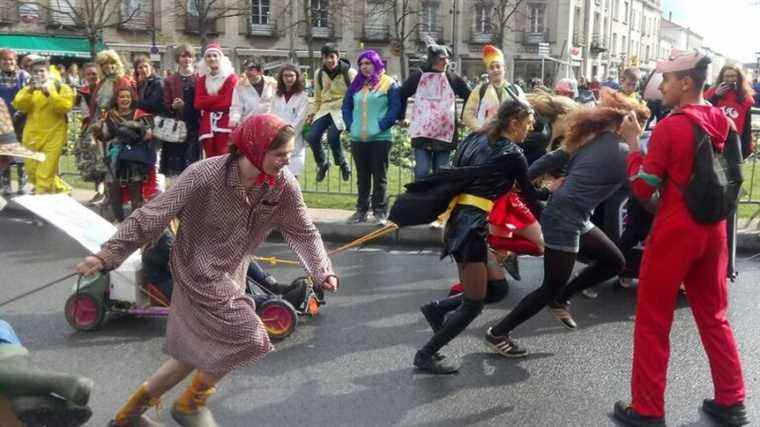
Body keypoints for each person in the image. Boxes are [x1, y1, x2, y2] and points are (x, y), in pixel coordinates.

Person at [75, 114, 339, 427]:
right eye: (280, 154)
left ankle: (126, 417)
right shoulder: (204, 174)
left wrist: (322, 270)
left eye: (290, 154)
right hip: (195, 269)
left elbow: (303, 231)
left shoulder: (282, 185)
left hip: (233, 273)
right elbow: (152, 216)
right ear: (254, 148)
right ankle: (190, 405)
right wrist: (107, 256)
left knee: (193, 355)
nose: (287, 161)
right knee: (252, 336)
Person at [613, 51, 749, 427]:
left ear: (685, 82)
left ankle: (648, 408)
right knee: (714, 316)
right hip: (715, 230)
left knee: (653, 320)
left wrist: (633, 146)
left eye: (668, 81)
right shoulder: (724, 120)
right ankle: (731, 400)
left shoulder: (672, 126)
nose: (663, 88)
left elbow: (643, 189)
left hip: (676, 229)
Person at [484, 90, 649, 353]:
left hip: (572, 215)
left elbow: (553, 158)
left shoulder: (592, 137)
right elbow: (641, 185)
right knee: (550, 287)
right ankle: (498, 332)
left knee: (614, 262)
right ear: (629, 125)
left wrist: (519, 181)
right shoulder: (622, 151)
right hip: (565, 219)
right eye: (641, 126)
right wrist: (635, 143)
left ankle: (561, 297)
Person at [412, 94, 542, 374]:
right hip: (470, 229)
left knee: (497, 289)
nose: (530, 129)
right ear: (513, 121)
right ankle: (425, 355)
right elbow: (529, 197)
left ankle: (437, 309)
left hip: (461, 222)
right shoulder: (513, 153)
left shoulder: (474, 138)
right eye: (528, 123)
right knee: (473, 304)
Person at [341, 49, 401, 224]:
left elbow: (394, 110)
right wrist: (351, 125)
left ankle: (380, 211)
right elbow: (346, 107)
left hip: (381, 138)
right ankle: (361, 210)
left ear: (376, 63)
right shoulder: (356, 84)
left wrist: (379, 126)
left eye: (368, 63)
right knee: (362, 176)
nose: (364, 67)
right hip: (358, 137)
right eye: (361, 64)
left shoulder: (389, 83)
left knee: (379, 175)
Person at [400, 43, 471, 181]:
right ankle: (419, 200)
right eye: (441, 59)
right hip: (422, 134)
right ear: (432, 60)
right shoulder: (419, 75)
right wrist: (401, 116)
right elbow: (403, 93)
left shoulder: (452, 78)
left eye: (447, 59)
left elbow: (469, 95)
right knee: (422, 172)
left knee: (441, 174)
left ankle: (437, 202)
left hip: (444, 134)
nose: (446, 62)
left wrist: (463, 117)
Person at [11, 55, 74, 194]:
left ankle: (42, 204)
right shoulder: (29, 89)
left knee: (44, 174)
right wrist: (29, 91)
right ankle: (62, 189)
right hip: (32, 137)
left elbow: (65, 107)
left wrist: (50, 93)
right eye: (35, 72)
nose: (38, 74)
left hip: (54, 136)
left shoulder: (61, 87)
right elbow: (19, 104)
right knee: (32, 172)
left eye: (41, 71)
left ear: (48, 72)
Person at [95, 86, 155, 222]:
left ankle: (135, 227)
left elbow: (148, 135)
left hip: (134, 158)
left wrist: (135, 127)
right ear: (116, 99)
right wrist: (99, 133)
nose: (124, 99)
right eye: (121, 96)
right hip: (116, 158)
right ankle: (119, 223)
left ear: (132, 98)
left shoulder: (139, 114)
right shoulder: (111, 116)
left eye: (127, 96)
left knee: (136, 195)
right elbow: (107, 137)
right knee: (114, 194)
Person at [305, 45, 356, 182]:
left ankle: (342, 163)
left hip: (341, 109)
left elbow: (356, 96)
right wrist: (312, 113)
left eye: (331, 57)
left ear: (337, 57)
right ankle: (322, 163)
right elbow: (318, 97)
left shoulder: (350, 73)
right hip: (325, 109)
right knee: (312, 136)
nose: (329, 60)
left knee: (333, 136)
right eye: (325, 57)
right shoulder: (319, 73)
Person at [161, 44, 201, 180]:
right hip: (178, 126)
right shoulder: (170, 80)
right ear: (178, 59)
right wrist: (173, 106)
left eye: (189, 56)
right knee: (178, 167)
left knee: (194, 163)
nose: (186, 59)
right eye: (183, 56)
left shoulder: (200, 78)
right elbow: (165, 105)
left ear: (193, 59)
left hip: (196, 126)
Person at [462, 44, 523, 131]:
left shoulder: (516, 90)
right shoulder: (479, 90)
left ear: (504, 69)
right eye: (491, 67)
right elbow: (467, 114)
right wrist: (479, 128)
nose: (495, 70)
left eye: (498, 66)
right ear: (487, 71)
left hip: (509, 139)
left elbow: (524, 114)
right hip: (485, 138)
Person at [195, 42, 238, 158]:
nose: (212, 59)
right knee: (209, 157)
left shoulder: (231, 78)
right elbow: (198, 103)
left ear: (221, 57)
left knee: (224, 156)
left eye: (215, 55)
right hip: (207, 125)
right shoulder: (202, 79)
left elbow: (228, 102)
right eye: (208, 56)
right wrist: (219, 98)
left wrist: (207, 101)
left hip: (225, 123)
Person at [73, 62, 107, 203]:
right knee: (93, 160)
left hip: (106, 127)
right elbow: (84, 112)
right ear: (84, 75)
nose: (92, 76)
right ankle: (99, 190)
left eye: (94, 73)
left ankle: (108, 192)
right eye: (88, 74)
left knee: (105, 160)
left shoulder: (107, 89)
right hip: (90, 127)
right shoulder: (82, 92)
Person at [705, 64, 755, 159]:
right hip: (713, 139)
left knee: (732, 171)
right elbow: (702, 111)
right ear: (722, 77)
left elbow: (747, 125)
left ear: (739, 77)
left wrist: (746, 147)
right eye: (727, 76)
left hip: (734, 140)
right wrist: (715, 96)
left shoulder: (745, 97)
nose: (730, 79)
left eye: (733, 76)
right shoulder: (712, 92)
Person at [271, 63, 308, 178]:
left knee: (293, 175)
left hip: (294, 139)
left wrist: (288, 133)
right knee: (277, 174)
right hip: (277, 136)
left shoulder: (303, 96)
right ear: (281, 78)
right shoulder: (276, 95)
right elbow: (272, 115)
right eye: (285, 76)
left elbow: (301, 118)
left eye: (291, 75)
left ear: (297, 77)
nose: (288, 78)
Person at [0, 49, 29, 196]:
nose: (8, 62)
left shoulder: (24, 76)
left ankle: (23, 183)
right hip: (2, 122)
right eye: (4, 59)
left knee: (21, 153)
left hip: (22, 121)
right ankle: (6, 185)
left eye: (11, 59)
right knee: (3, 152)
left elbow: (30, 96)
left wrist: (18, 115)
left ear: (15, 61)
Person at [229, 61, 277, 128]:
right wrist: (234, 119)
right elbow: (236, 106)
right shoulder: (240, 86)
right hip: (248, 124)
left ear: (260, 71)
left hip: (269, 124)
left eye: (251, 70)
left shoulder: (272, 83)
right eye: (246, 69)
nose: (247, 72)